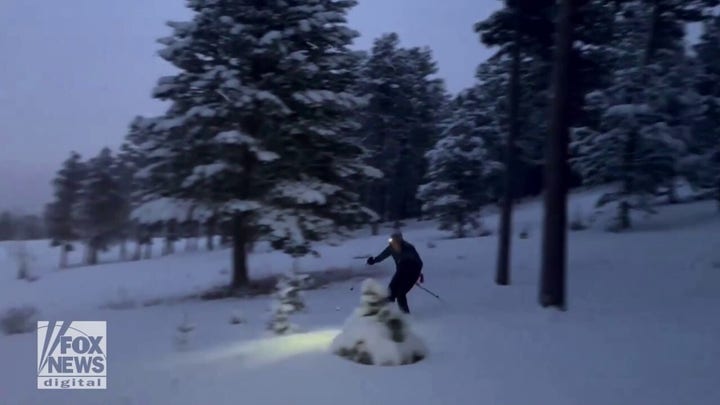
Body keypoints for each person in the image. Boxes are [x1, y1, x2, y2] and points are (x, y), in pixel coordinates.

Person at [366, 231, 424, 313]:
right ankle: (386, 313)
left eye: (396, 241)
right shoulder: (391, 248)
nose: (393, 243)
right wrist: (374, 260)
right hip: (401, 272)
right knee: (391, 292)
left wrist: (417, 274)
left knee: (400, 294)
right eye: (392, 241)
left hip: (411, 272)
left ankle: (405, 316)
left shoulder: (408, 248)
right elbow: (383, 255)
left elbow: (418, 262)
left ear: (401, 240)